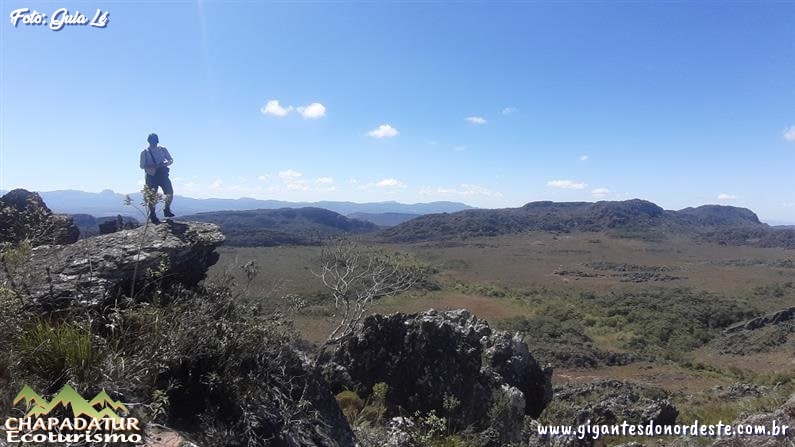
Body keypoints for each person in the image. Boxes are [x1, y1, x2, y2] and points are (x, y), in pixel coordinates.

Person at [139, 133, 174, 224]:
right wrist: (152, 166)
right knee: (152, 196)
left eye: (154, 140)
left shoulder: (163, 149)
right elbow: (142, 166)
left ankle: (167, 209)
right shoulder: (144, 152)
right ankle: (153, 215)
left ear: (157, 141)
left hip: (162, 174)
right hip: (151, 175)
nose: (153, 142)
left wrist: (166, 163)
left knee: (169, 192)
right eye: (152, 140)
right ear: (149, 141)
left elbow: (171, 160)